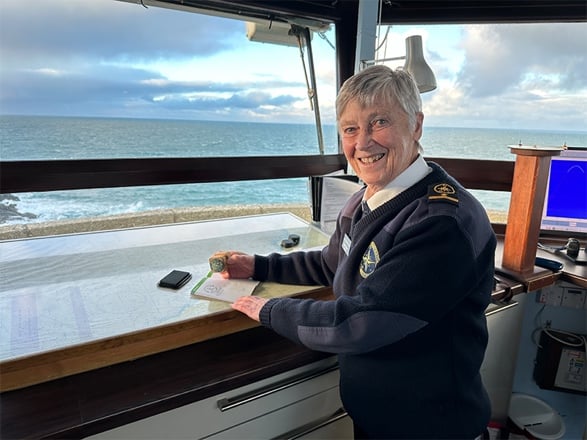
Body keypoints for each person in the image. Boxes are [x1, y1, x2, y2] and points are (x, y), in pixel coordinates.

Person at [212, 65, 496, 439]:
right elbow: (330, 263)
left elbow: (361, 322)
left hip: (430, 423)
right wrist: (259, 266)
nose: (362, 143)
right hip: (379, 414)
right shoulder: (369, 198)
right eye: (350, 128)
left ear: (416, 126)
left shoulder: (441, 222)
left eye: (379, 122)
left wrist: (267, 309)